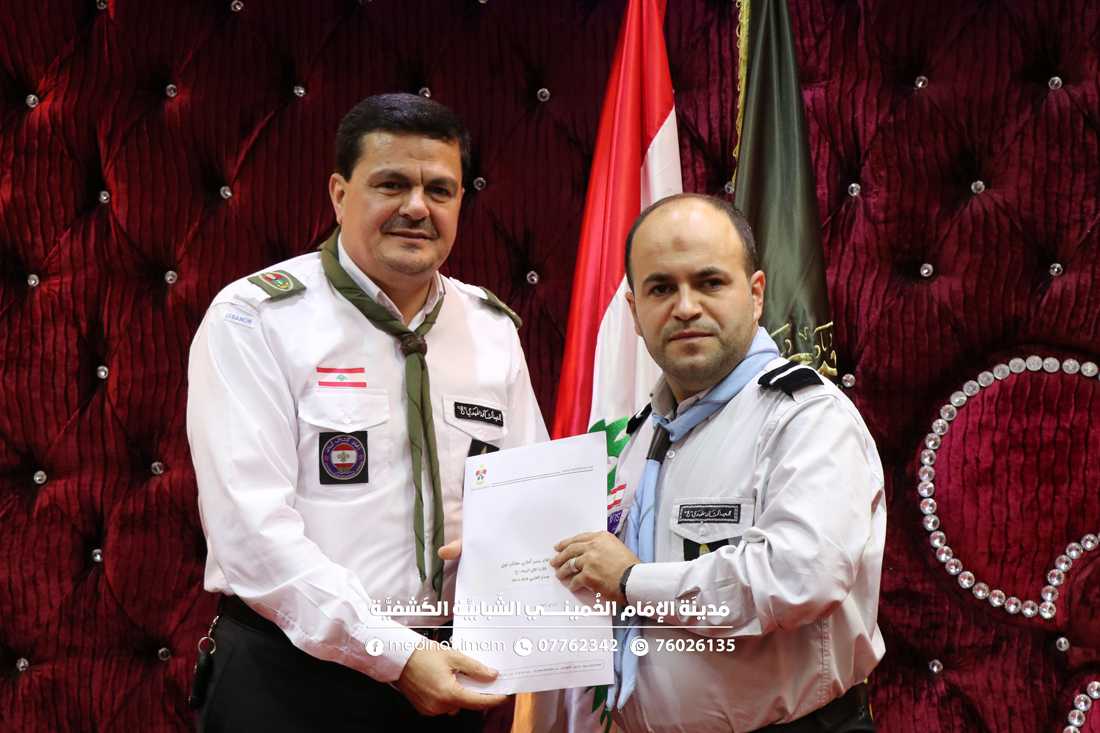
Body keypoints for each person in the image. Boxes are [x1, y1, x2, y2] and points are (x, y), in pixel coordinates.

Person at [186, 93, 548, 731]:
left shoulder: (491, 328)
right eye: (391, 184)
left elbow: (531, 501)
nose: (417, 207)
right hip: (289, 680)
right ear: (339, 194)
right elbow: (250, 535)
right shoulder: (256, 317)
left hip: (448, 676)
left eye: (440, 190)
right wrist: (395, 655)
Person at [548, 193, 885, 732]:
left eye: (709, 282)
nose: (685, 307)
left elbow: (798, 578)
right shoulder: (640, 436)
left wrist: (633, 580)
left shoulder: (806, 417)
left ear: (755, 295)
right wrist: (510, 554)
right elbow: (597, 572)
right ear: (634, 312)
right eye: (661, 288)